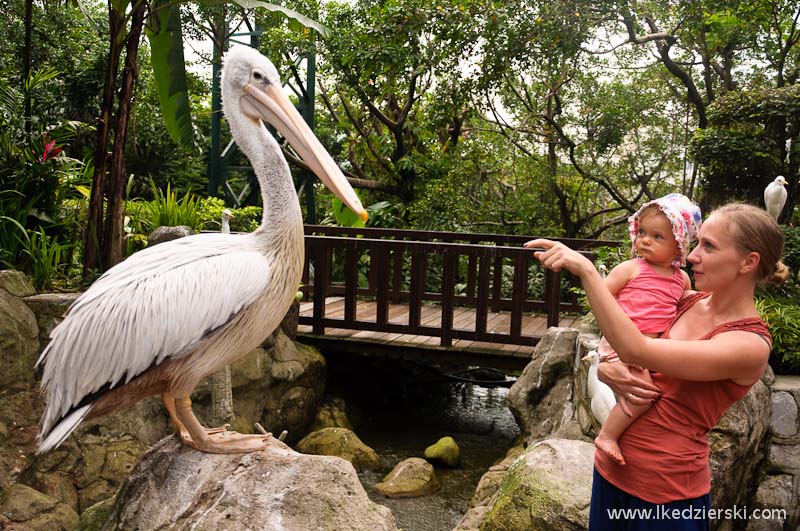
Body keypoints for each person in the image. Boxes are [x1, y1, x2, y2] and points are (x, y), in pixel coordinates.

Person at [525, 203, 788, 530]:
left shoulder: (747, 344)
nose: (691, 256)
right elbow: (624, 336)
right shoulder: (684, 301)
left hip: (667, 495)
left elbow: (636, 348)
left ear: (748, 262)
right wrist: (606, 368)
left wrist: (588, 271)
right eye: (697, 243)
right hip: (612, 471)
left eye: (709, 246)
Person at [593, 193, 701, 466]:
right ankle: (607, 435)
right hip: (622, 343)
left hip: (649, 349)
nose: (644, 240)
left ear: (679, 245)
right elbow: (600, 298)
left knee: (642, 394)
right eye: (641, 232)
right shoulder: (630, 269)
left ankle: (623, 431)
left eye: (657, 236)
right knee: (643, 396)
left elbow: (686, 305)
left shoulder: (681, 278)